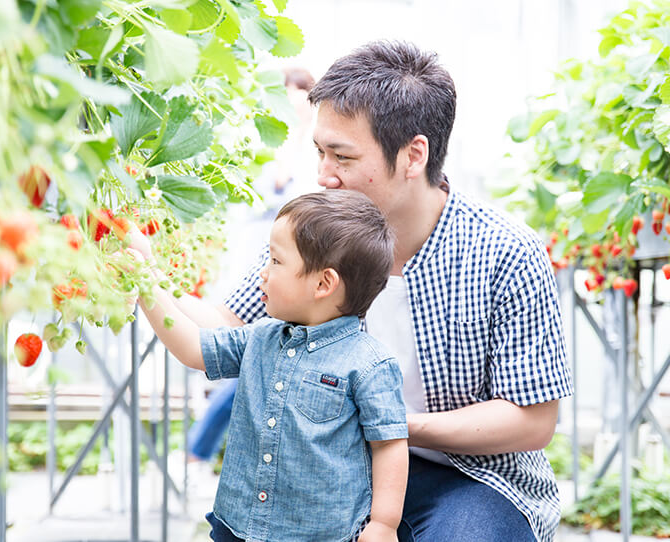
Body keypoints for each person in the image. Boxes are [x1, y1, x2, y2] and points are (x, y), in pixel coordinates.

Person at [167, 40, 573, 542]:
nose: (323, 175)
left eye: (342, 156)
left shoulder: (505, 251)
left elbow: (531, 419)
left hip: (469, 476)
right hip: (328, 468)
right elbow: (225, 327)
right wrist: (145, 278)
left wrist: (393, 425)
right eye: (319, 152)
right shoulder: (317, 229)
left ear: (413, 155)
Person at [129, 190, 410, 542]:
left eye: (275, 262)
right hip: (238, 524)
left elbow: (389, 444)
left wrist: (384, 524)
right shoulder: (260, 337)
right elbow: (193, 349)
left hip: (320, 534)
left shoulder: (370, 364)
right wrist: (146, 281)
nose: (262, 273)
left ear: (324, 283)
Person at [185, 67, 317, 471]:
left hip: (300, 274)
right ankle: (198, 451)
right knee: (247, 360)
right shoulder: (263, 142)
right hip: (259, 265)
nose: (292, 100)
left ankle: (197, 451)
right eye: (286, 92)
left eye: (300, 92)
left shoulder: (317, 153)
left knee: (253, 367)